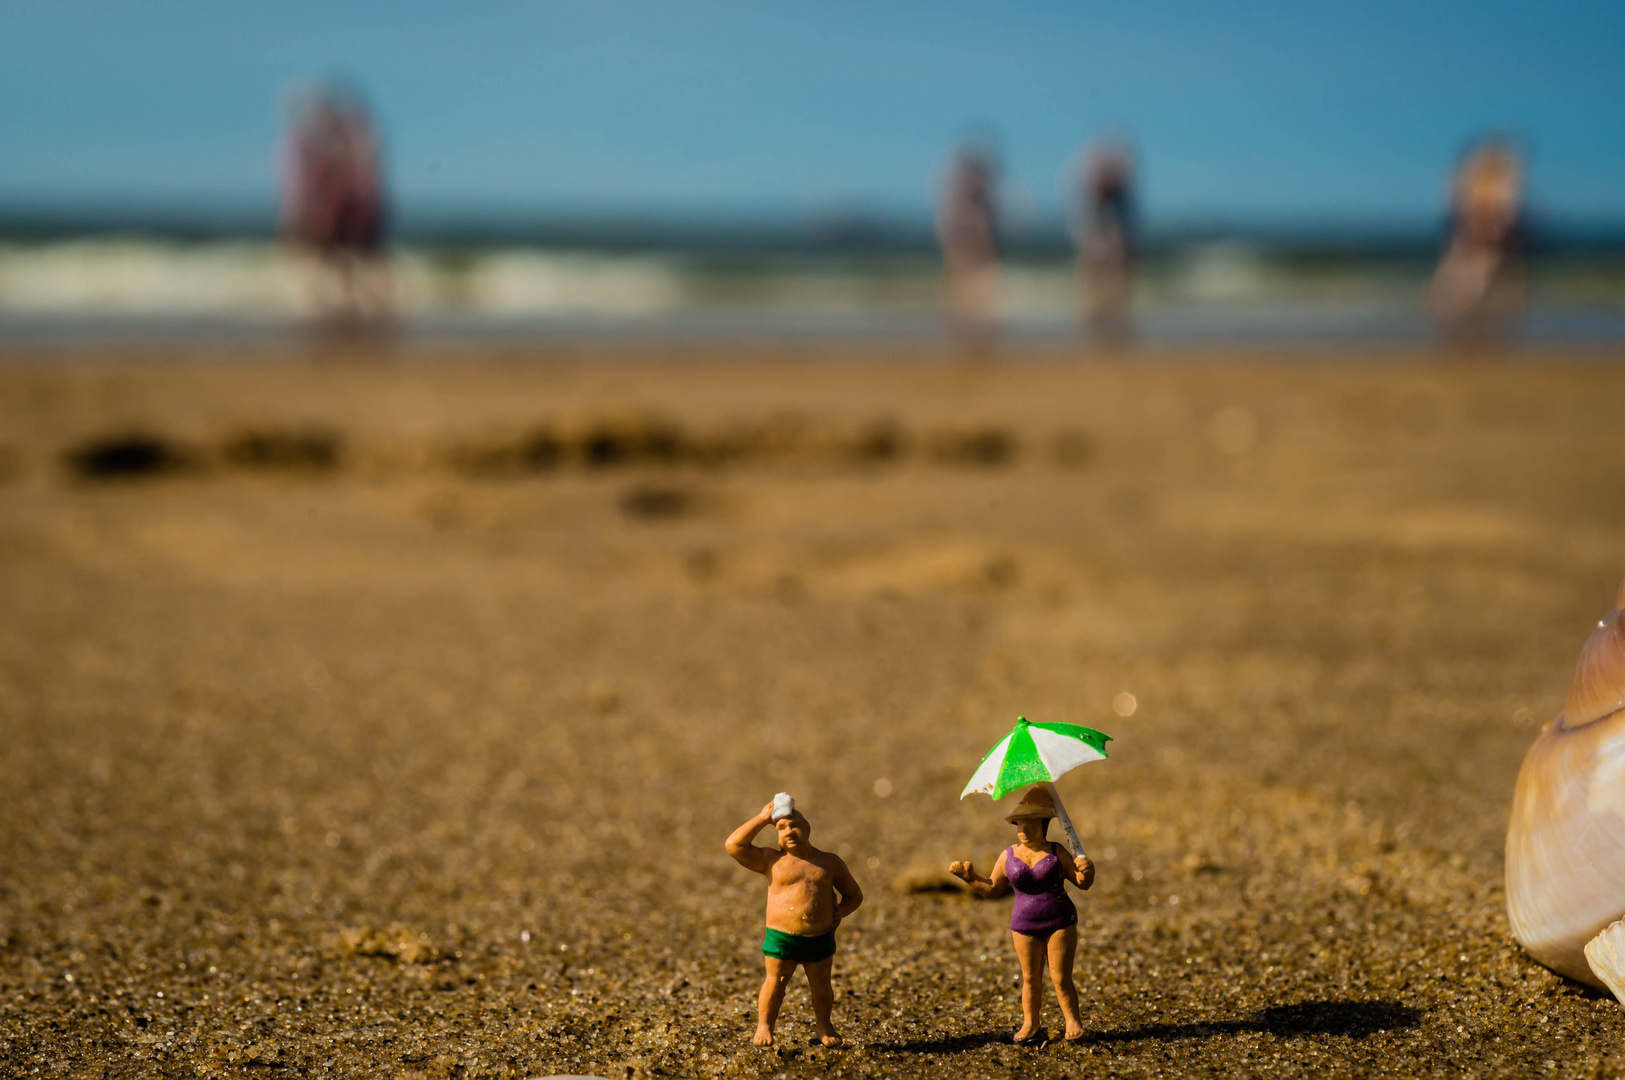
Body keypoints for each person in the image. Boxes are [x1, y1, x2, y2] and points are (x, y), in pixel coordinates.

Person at [949, 785, 1094, 1044]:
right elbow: (993, 889)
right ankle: (1031, 1023)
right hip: (1024, 925)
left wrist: (1087, 868)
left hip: (1059, 920)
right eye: (1019, 825)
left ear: (1043, 825)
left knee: (1060, 977)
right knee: (1030, 978)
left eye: (1029, 825)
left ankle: (1072, 1021)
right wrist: (970, 878)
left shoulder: (1056, 851)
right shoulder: (1008, 855)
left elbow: (1082, 883)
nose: (1023, 831)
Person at [726, 793, 863, 1047]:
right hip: (781, 937)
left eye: (795, 825)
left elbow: (854, 895)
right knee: (775, 983)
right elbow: (733, 845)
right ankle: (764, 1025)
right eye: (781, 827)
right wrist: (761, 818)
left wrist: (840, 913)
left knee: (821, 986)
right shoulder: (771, 861)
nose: (789, 831)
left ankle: (824, 1025)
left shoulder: (829, 863)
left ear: (807, 829)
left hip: (820, 938)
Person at [280, 84, 393, 331]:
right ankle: (342, 302)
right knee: (339, 258)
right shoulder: (340, 139)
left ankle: (348, 303)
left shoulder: (349, 139)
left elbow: (321, 179)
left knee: (342, 257)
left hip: (349, 207)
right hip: (342, 206)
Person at [1429, 138, 1526, 345]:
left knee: (1495, 299)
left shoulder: (1498, 185)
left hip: (1487, 250)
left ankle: (1481, 336)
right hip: (1472, 247)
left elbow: (1503, 215)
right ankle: (1465, 336)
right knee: (1457, 296)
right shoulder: (1477, 183)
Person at [936, 144, 1002, 353]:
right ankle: (966, 345)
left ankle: (978, 344)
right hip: (964, 256)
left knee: (982, 303)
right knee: (964, 303)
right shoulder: (957, 202)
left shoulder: (981, 201)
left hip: (979, 257)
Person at [1074, 138, 1137, 343]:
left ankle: (1114, 328)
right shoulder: (1094, 203)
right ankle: (1096, 328)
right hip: (1099, 244)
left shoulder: (1118, 206)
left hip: (1109, 243)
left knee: (1115, 288)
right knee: (1095, 289)